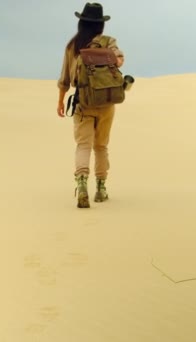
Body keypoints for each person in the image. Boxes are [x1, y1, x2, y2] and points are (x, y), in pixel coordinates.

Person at [57, 3, 125, 209]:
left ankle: (82, 185)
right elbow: (120, 60)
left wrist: (60, 100)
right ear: (100, 25)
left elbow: (65, 78)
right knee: (101, 146)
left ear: (81, 22)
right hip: (106, 102)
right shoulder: (108, 42)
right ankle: (101, 188)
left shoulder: (73, 46)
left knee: (83, 145)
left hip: (83, 102)